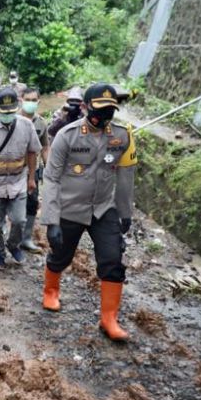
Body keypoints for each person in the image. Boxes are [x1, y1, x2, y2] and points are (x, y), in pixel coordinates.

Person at [41, 84, 137, 341]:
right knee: (61, 255)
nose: (105, 116)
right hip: (70, 207)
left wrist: (125, 213)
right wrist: (51, 220)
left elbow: (126, 175)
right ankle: (51, 291)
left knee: (113, 259)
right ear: (85, 107)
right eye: (100, 110)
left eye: (110, 111)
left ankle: (109, 319)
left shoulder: (122, 135)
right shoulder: (67, 135)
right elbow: (51, 178)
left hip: (103, 208)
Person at [0, 87, 41, 270]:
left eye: (11, 112)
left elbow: (32, 152)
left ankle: (13, 245)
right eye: (4, 112)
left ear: (17, 107)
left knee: (19, 220)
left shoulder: (26, 126)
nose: (8, 116)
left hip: (17, 181)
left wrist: (31, 178)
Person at [19, 87, 49, 253]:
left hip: (32, 170)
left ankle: (26, 238)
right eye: (27, 99)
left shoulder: (41, 123)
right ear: (21, 99)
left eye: (33, 100)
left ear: (38, 102)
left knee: (31, 203)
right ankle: (4, 234)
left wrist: (49, 168)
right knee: (9, 201)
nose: (30, 103)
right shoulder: (12, 118)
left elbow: (45, 147)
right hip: (12, 170)